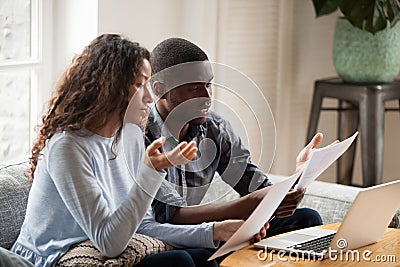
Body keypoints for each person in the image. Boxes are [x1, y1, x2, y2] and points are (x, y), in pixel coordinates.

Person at [10, 34, 221, 267]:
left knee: (205, 256)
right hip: (53, 257)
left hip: (104, 249)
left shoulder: (128, 138)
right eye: (140, 85)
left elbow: (143, 227)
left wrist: (213, 231)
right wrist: (151, 172)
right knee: (178, 262)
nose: (150, 97)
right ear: (110, 86)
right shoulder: (67, 147)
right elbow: (108, 242)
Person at [137, 37, 323, 250]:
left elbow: (255, 186)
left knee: (306, 219)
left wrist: (295, 181)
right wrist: (253, 204)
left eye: (208, 85)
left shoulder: (216, 129)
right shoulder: (142, 138)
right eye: (195, 88)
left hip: (209, 230)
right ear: (160, 89)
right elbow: (168, 216)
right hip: (174, 237)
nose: (207, 96)